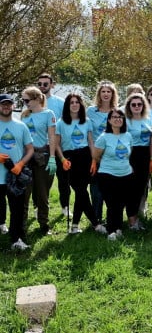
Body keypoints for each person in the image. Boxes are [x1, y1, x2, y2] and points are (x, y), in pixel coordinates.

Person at [54, 93, 106, 235]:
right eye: (72, 102)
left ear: (81, 104)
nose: (75, 104)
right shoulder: (60, 122)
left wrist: (94, 160)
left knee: (81, 192)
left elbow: (90, 142)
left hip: (85, 157)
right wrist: (63, 159)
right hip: (70, 158)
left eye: (77, 102)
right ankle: (96, 224)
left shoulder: (86, 121)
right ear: (67, 105)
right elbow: (57, 144)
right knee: (81, 191)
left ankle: (75, 226)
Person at [93, 109, 138, 241]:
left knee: (121, 203)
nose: (118, 119)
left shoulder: (128, 136)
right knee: (112, 204)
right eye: (114, 117)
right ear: (109, 120)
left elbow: (129, 154)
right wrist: (109, 163)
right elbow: (96, 156)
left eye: (120, 117)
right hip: (107, 175)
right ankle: (111, 232)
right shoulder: (103, 137)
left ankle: (118, 229)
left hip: (126, 174)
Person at [20, 86, 56, 234]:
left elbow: (52, 137)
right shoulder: (24, 115)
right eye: (23, 100)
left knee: (42, 194)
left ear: (36, 99)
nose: (25, 102)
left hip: (42, 156)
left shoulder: (48, 114)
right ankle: (21, 225)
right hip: (26, 157)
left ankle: (44, 225)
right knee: (24, 193)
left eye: (27, 99)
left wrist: (52, 157)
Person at [0, 93, 34, 251]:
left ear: (13, 106)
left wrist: (20, 164)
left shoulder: (21, 126)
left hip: (15, 176)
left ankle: (17, 239)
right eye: (2, 104)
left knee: (17, 210)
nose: (5, 107)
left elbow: (30, 149)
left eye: (8, 104)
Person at [36, 73, 68, 217]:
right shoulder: (34, 103)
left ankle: (65, 207)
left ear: (52, 85)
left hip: (60, 147)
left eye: (45, 84)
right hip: (41, 148)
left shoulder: (60, 103)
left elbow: (66, 123)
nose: (42, 87)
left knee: (63, 179)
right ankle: (38, 206)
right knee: (41, 181)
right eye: (40, 84)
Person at [87, 80, 119, 222]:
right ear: (99, 94)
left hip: (113, 156)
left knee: (113, 188)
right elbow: (88, 134)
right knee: (96, 188)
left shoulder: (118, 111)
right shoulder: (90, 111)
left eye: (109, 91)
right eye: (103, 91)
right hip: (95, 155)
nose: (106, 94)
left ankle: (112, 218)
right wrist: (94, 156)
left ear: (113, 94)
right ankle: (96, 219)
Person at [124, 92, 152, 230]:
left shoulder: (149, 118)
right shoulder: (126, 120)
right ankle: (132, 220)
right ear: (129, 106)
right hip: (131, 155)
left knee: (141, 187)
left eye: (139, 104)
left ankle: (135, 216)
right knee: (131, 189)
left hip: (146, 154)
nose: (136, 106)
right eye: (133, 104)